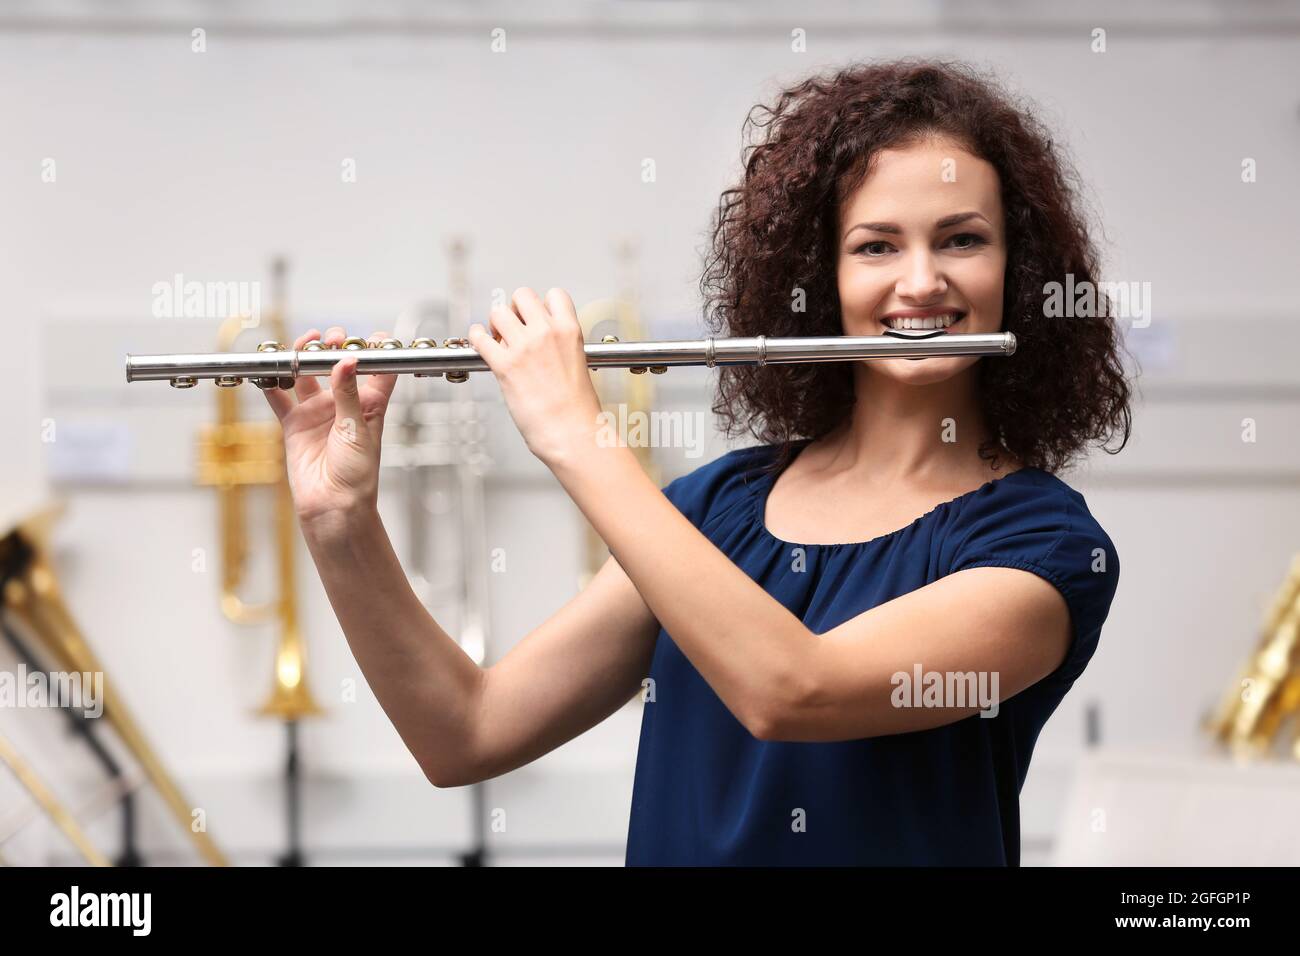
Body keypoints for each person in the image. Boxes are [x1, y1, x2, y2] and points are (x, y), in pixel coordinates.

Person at [262, 57, 1132, 866]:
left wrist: (577, 436)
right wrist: (339, 522)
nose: (920, 281)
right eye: (875, 245)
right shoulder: (715, 508)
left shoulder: (1043, 549)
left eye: (961, 240)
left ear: (1016, 270)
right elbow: (465, 733)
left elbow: (796, 690)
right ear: (817, 275)